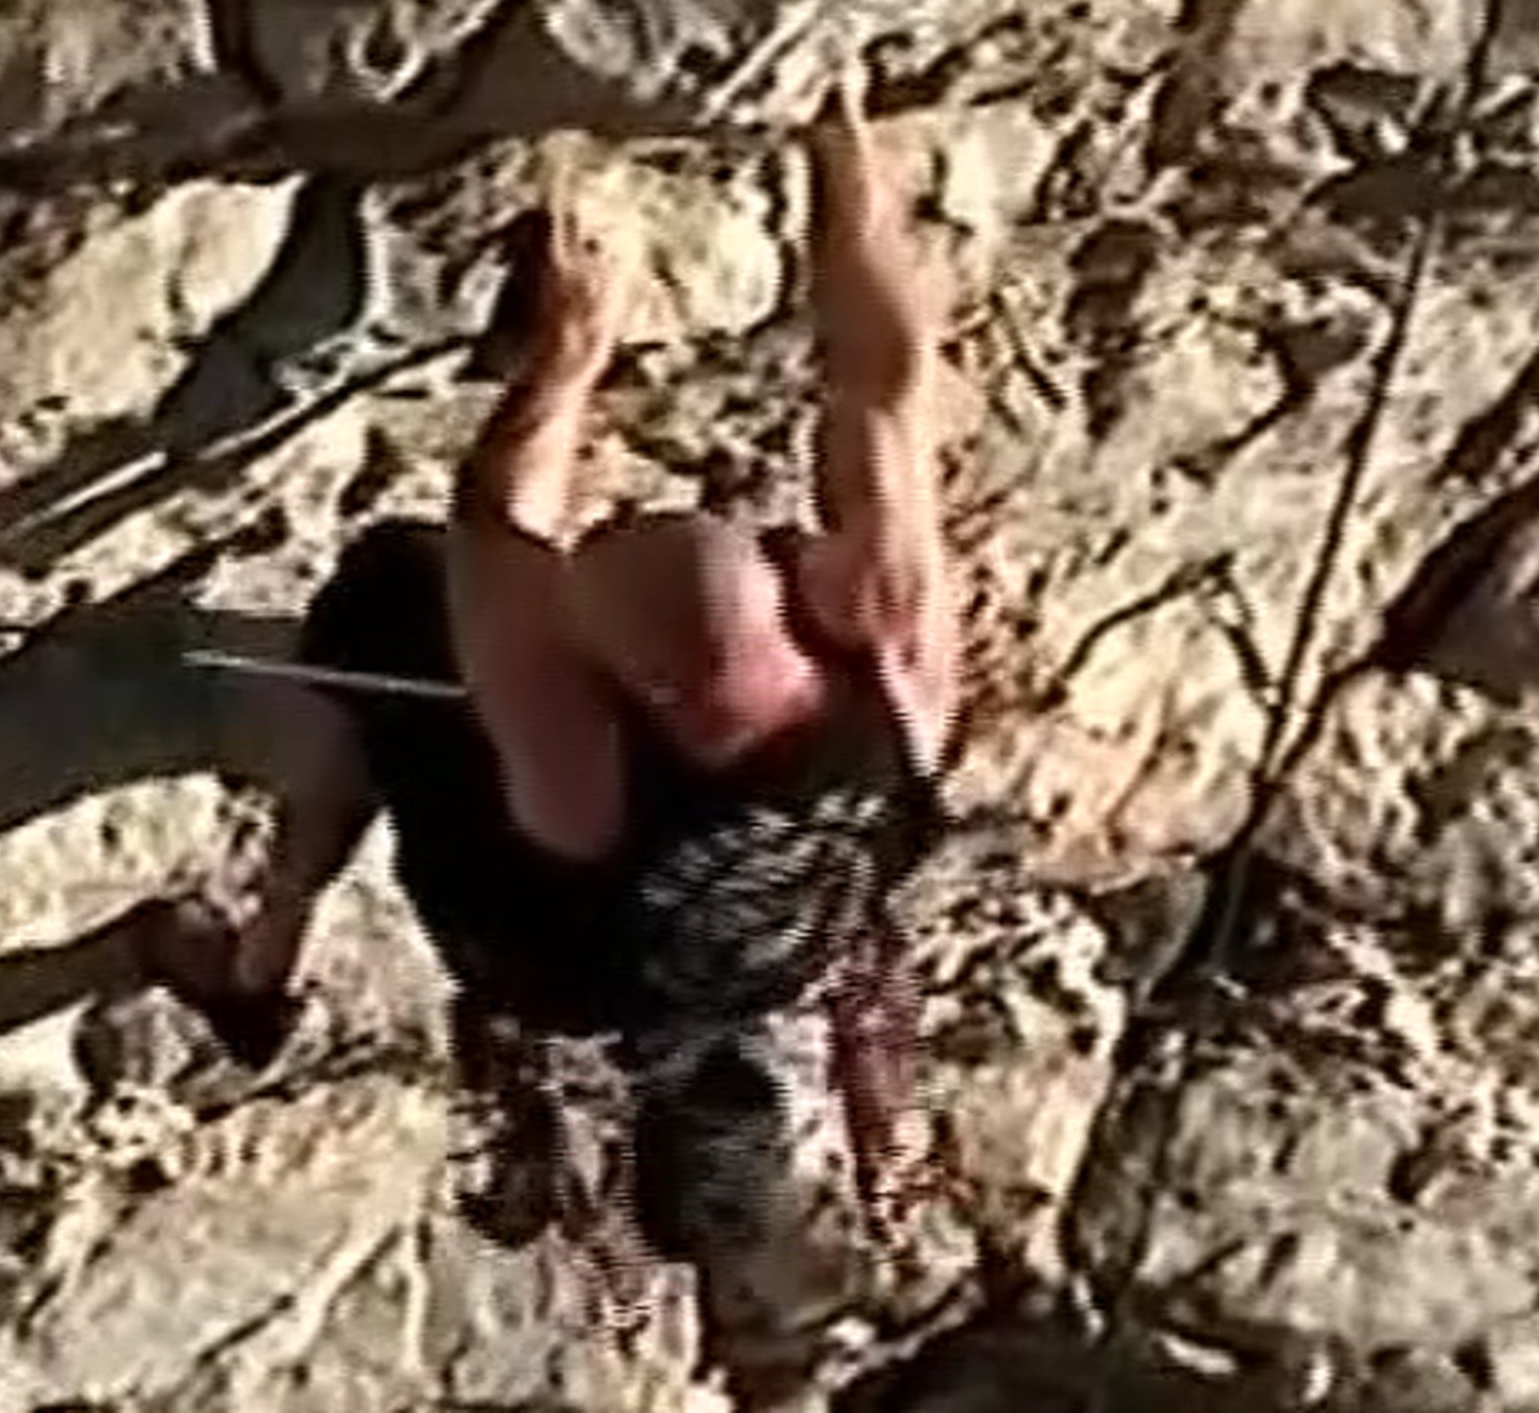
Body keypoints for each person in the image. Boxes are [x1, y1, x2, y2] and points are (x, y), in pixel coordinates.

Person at [138, 65, 960, 1276]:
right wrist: (846, 161)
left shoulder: (587, 805)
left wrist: (571, 357)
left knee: (386, 663)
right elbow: (889, 386)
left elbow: (497, 526)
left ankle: (262, 961)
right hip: (653, 918)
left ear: (638, 683)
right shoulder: (891, 676)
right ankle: (260, 979)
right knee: (398, 724)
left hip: (522, 910)